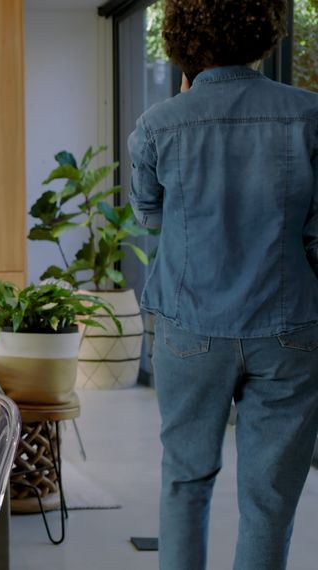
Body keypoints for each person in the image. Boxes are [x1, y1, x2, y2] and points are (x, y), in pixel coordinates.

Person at [128, 1, 318, 568]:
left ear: (183, 44)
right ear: (263, 35)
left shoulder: (159, 124)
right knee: (271, 497)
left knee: (185, 480)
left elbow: (151, 215)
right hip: (288, 331)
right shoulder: (309, 115)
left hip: (189, 328)